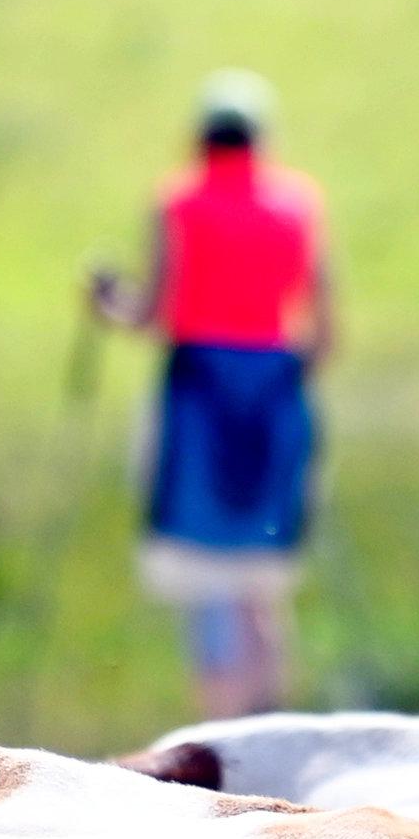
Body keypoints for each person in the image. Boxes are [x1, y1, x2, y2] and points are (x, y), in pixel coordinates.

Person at [90, 69, 334, 720]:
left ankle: (220, 728)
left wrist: (110, 305)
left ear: (200, 138)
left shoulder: (179, 204)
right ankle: (269, 721)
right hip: (276, 398)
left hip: (198, 398)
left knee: (207, 579)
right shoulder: (299, 206)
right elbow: (324, 333)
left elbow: (154, 315)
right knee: (262, 579)